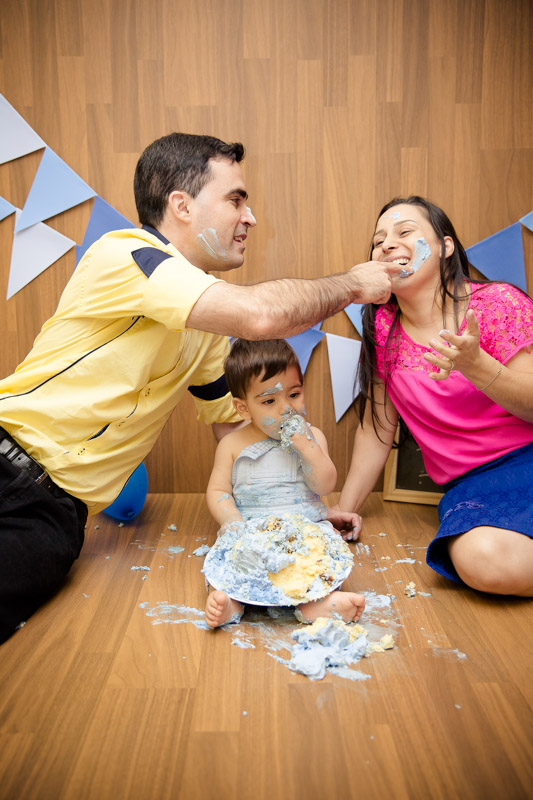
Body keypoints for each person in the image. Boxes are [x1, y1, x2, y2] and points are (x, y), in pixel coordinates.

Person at [0, 132, 400, 642]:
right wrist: (351, 284)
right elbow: (260, 315)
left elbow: (238, 425)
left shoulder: (206, 338)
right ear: (181, 206)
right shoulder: (126, 255)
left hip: (55, 516)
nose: (250, 217)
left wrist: (297, 507)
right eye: (236, 199)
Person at [335, 195, 533, 596]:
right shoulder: (383, 330)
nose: (387, 244)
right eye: (379, 240)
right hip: (472, 485)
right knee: (482, 559)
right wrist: (345, 509)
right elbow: (376, 431)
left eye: (404, 232)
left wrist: (477, 366)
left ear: (444, 247)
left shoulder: (498, 304)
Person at [204, 338, 365, 628]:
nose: (286, 408)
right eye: (269, 401)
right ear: (243, 408)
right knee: (231, 565)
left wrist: (307, 447)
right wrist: (232, 523)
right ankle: (232, 603)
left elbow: (325, 486)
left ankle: (318, 604)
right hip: (252, 532)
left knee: (319, 564)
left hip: (305, 532)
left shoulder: (312, 435)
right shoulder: (232, 444)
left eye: (294, 394)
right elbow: (218, 491)